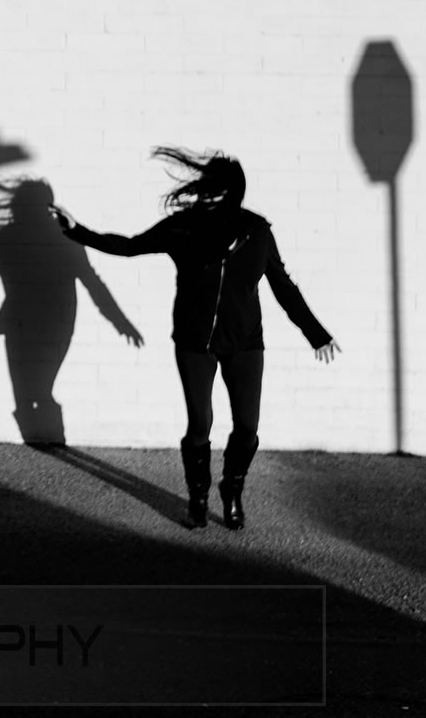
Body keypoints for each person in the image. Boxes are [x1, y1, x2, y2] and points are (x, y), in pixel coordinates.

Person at [51, 148, 341, 529]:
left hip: (245, 343)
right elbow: (130, 246)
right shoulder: (182, 229)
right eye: (206, 187)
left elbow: (283, 286)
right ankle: (198, 497)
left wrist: (316, 333)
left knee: (247, 427)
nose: (207, 195)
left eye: (216, 189)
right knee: (200, 423)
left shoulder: (256, 233)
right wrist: (76, 231)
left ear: (232, 192)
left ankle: (232, 489)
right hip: (194, 342)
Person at [0, 175, 143, 447]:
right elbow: (93, 283)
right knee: (35, 389)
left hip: (28, 322)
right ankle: (47, 441)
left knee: (31, 389)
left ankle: (45, 440)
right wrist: (121, 323)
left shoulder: (30, 235)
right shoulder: (57, 236)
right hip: (49, 323)